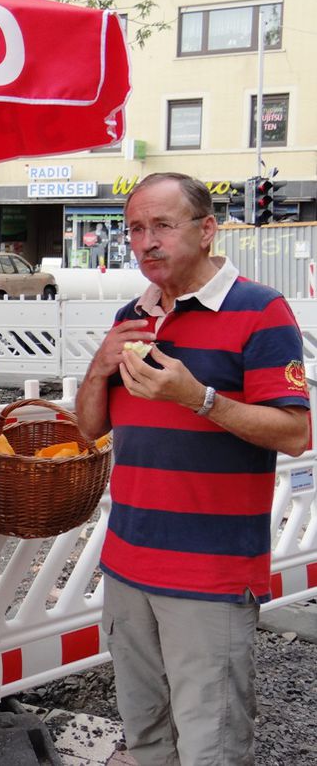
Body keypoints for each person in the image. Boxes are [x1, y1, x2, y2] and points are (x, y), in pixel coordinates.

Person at [75, 172, 311, 766]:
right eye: (135, 229)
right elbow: (88, 429)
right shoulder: (131, 316)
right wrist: (98, 369)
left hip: (211, 573)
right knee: (146, 734)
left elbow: (295, 434)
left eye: (162, 225)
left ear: (207, 230)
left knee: (212, 743)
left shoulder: (260, 310)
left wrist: (198, 398)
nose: (146, 241)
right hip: (127, 562)